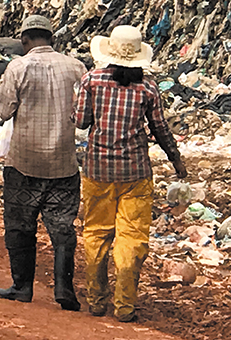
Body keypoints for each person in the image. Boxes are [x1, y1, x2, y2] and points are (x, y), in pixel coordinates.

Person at [76, 25, 186, 323]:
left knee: (96, 235)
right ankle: (124, 307)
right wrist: (176, 160)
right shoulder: (148, 88)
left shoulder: (91, 80)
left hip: (97, 170)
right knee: (132, 239)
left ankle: (96, 301)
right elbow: (161, 130)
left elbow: (82, 122)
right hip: (136, 173)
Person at [0, 15, 87, 310]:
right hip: (63, 162)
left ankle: (22, 287)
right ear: (52, 38)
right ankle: (64, 289)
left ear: (24, 40)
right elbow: (84, 113)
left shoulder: (18, 66)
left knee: (20, 227)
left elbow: (5, 112)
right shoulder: (76, 67)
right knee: (62, 228)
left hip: (24, 161)